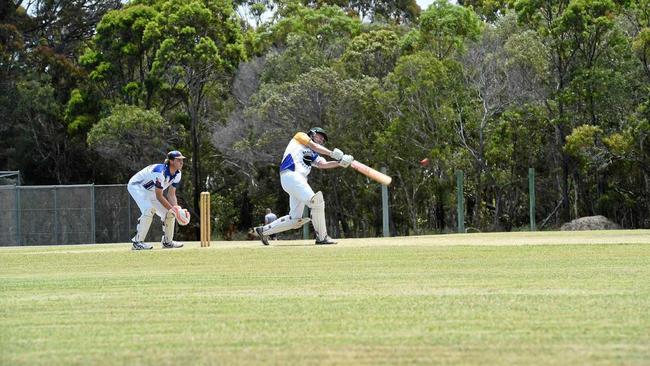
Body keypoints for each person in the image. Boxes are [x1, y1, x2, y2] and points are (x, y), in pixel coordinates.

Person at [254, 127, 353, 245]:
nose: (322, 140)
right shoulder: (300, 136)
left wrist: (340, 163)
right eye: (320, 136)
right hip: (291, 174)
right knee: (317, 202)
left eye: (323, 140)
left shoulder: (313, 153)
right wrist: (332, 153)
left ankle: (264, 231)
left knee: (295, 219)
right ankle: (322, 237)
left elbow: (323, 164)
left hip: (297, 181)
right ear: (312, 134)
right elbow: (315, 146)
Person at [127, 150, 187, 250]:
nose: (181, 162)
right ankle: (137, 243)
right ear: (171, 161)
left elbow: (171, 195)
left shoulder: (178, 174)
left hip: (152, 191)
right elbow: (159, 196)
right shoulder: (160, 173)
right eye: (178, 160)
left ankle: (167, 242)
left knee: (169, 213)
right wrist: (175, 211)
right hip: (137, 186)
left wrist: (176, 209)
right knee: (149, 209)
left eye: (182, 160)